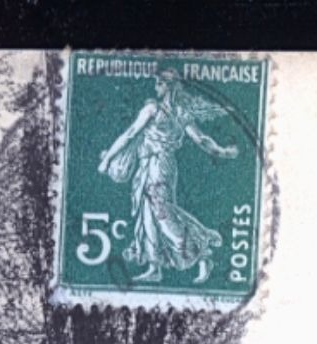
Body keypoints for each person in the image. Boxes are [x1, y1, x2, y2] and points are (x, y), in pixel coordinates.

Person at [97, 69, 239, 284]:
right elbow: (201, 139)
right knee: (148, 215)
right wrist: (221, 151)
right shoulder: (180, 112)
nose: (156, 87)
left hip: (158, 165)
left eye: (159, 84)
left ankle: (202, 252)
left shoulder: (153, 109)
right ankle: (155, 268)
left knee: (163, 214)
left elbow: (130, 134)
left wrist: (108, 159)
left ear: (168, 86)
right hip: (151, 165)